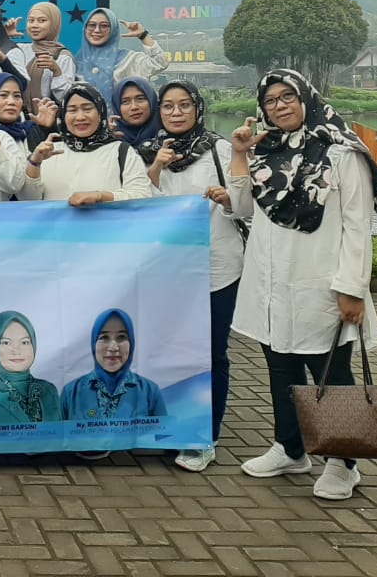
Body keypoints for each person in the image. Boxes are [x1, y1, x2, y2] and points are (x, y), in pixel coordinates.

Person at [227, 69, 377, 500]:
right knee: (281, 366)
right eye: (270, 100)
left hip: (321, 283)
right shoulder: (266, 151)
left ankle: (343, 462)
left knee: (331, 372)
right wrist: (239, 154)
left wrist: (352, 287)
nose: (279, 106)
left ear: (306, 97)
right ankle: (290, 448)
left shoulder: (342, 152)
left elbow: (357, 225)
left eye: (287, 96)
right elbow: (240, 208)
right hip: (271, 282)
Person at [141, 80, 244, 472]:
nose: (176, 112)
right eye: (168, 106)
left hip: (218, 266)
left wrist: (228, 199)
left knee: (212, 351)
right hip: (171, 272)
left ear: (198, 108)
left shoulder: (220, 149)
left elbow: (246, 206)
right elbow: (143, 207)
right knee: (174, 350)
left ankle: (205, 437)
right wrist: (156, 166)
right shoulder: (152, 151)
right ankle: (177, 426)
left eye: (184, 104)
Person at [18, 82, 153, 205]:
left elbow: (142, 195)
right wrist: (35, 163)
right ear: (63, 115)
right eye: (72, 110)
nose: (80, 117)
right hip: (57, 225)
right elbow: (27, 200)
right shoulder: (48, 152)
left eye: (87, 109)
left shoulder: (121, 151)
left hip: (106, 225)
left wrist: (101, 196)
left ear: (100, 113)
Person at [60, 309, 167, 420]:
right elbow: (57, 431)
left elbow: (165, 431)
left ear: (131, 343)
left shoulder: (149, 392)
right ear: (94, 343)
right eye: (104, 337)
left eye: (121, 337)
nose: (113, 347)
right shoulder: (71, 393)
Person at [0, 311, 62, 425]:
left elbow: (61, 435)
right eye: (6, 343)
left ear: (33, 345)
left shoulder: (49, 390)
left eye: (24, 342)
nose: (16, 350)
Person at [75, 8, 168, 109]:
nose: (97, 30)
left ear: (113, 30)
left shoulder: (128, 60)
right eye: (92, 25)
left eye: (104, 26)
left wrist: (143, 35)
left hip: (123, 118)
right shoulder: (76, 63)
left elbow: (159, 62)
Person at [9, 1, 74, 105]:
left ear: (54, 23)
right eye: (31, 20)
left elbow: (66, 98)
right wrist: (5, 36)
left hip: (48, 114)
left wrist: (56, 71)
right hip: (17, 113)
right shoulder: (20, 50)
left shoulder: (62, 57)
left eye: (42, 20)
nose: (34, 25)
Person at [0, 71, 55, 157]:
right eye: (3, 95)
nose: (11, 102)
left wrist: (47, 128)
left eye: (17, 96)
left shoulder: (28, 131)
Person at [112, 77, 160, 148]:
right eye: (125, 101)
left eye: (140, 99)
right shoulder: (110, 142)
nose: (134, 107)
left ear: (151, 101)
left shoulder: (168, 136)